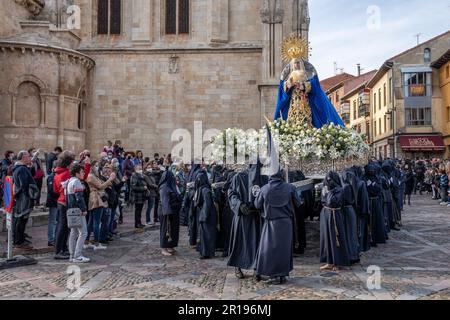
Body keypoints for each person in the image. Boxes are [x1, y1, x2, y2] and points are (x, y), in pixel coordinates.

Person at [254, 170, 301, 285]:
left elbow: (257, 205)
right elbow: (298, 203)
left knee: (268, 250)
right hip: (286, 223)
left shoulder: (264, 189)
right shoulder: (290, 187)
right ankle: (282, 274)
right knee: (284, 250)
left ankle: (273, 274)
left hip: (270, 223)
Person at [227, 171, 261, 279]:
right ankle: (238, 266)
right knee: (240, 242)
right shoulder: (238, 177)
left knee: (257, 243)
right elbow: (231, 194)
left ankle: (257, 268)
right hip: (242, 216)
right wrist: (239, 205)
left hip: (256, 217)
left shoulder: (263, 177)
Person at [319, 171, 350, 271]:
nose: (328, 182)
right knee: (326, 238)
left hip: (334, 215)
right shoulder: (326, 188)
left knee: (335, 238)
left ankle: (338, 262)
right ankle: (329, 261)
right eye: (327, 179)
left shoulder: (340, 190)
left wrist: (329, 192)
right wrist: (327, 193)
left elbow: (332, 202)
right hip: (326, 214)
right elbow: (323, 200)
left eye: (330, 180)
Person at [12, 151, 38, 250]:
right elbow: (24, 185)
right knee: (21, 220)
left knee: (20, 220)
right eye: (28, 156)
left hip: (21, 198)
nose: (30, 157)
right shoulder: (22, 169)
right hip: (24, 199)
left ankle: (19, 240)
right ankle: (19, 242)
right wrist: (31, 195)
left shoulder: (20, 168)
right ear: (23, 157)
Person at [86, 161, 115, 250]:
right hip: (96, 198)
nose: (97, 167)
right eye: (96, 166)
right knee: (96, 221)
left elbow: (106, 184)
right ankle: (96, 243)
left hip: (97, 197)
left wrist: (109, 180)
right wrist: (110, 179)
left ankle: (87, 241)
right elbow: (101, 186)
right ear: (91, 167)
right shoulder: (91, 176)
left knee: (92, 221)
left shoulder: (95, 176)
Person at [53, 151, 76, 259]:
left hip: (60, 201)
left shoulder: (57, 173)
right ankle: (58, 251)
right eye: (72, 162)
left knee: (64, 227)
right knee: (63, 227)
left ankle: (63, 248)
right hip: (65, 201)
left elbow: (55, 190)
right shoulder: (66, 173)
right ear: (68, 163)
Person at [65, 164, 90, 263]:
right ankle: (78, 255)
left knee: (73, 232)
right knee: (83, 232)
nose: (84, 173)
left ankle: (72, 255)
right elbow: (79, 197)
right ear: (77, 173)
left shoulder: (69, 181)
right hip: (77, 210)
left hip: (70, 210)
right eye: (82, 172)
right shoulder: (77, 182)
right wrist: (83, 209)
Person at [194, 172, 218, 259]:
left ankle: (207, 253)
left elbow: (207, 205)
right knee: (204, 234)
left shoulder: (206, 191)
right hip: (205, 214)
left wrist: (203, 217)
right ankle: (204, 251)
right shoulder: (203, 189)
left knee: (208, 234)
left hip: (208, 215)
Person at [158, 170, 181, 256]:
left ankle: (170, 245)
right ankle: (164, 248)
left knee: (173, 229)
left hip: (173, 212)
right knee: (165, 229)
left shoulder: (172, 186)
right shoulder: (164, 187)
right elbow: (165, 201)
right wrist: (167, 213)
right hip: (166, 212)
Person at [341, 169, 360, 264]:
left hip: (347, 211)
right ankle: (354, 254)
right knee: (352, 233)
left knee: (349, 234)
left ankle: (350, 255)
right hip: (351, 210)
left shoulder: (346, 187)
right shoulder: (352, 186)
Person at [365, 163, 387, 246]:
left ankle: (376, 238)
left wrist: (373, 185)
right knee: (369, 220)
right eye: (370, 170)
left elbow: (379, 189)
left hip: (375, 201)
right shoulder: (364, 178)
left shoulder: (376, 178)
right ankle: (370, 238)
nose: (371, 171)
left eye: (372, 170)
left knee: (376, 220)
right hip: (368, 201)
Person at [45, 161, 59, 247]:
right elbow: (51, 191)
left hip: (58, 201)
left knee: (57, 221)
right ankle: (51, 239)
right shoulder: (51, 177)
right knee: (52, 221)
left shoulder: (57, 176)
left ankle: (56, 238)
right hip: (53, 202)